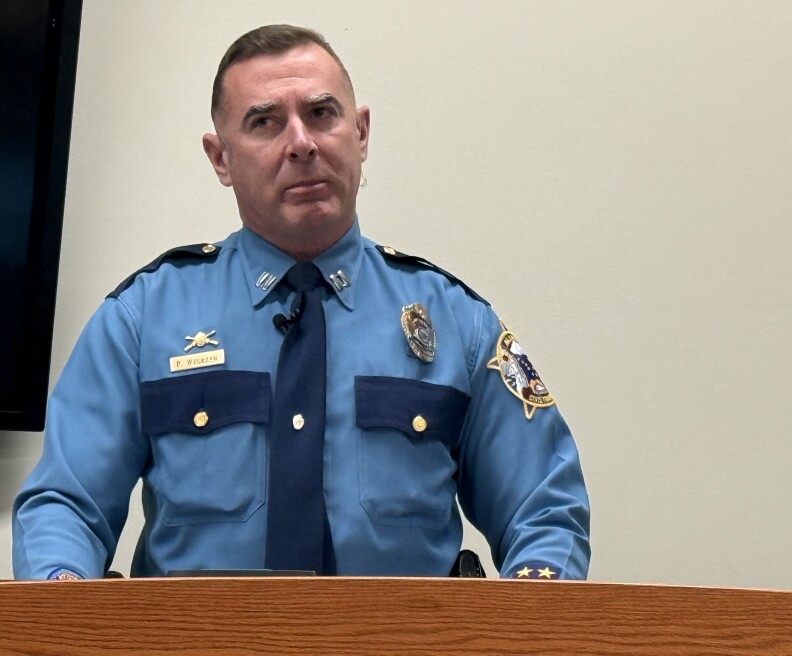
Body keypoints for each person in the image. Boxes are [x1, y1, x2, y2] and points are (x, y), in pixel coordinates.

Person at [12, 25, 590, 581]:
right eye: (264, 122)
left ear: (361, 134)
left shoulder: (458, 324)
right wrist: (64, 603)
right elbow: (67, 505)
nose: (301, 143)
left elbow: (544, 511)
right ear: (221, 158)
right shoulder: (143, 319)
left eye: (321, 114)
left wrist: (527, 624)